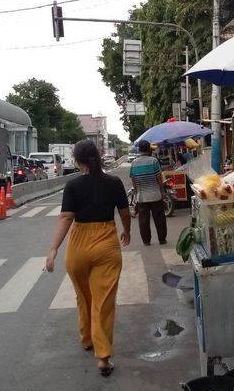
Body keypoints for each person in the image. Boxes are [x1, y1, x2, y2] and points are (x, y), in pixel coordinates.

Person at [44, 139, 130, 377]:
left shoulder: (72, 185)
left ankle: (86, 339)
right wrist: (127, 231)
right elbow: (124, 212)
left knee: (83, 296)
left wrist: (53, 250)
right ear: (99, 157)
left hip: (78, 247)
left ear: (77, 160)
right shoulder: (114, 183)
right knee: (103, 302)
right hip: (106, 245)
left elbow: (65, 218)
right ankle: (103, 357)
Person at [130, 140, 167, 246]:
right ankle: (162, 239)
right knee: (159, 218)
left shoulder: (134, 163)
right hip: (155, 195)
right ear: (149, 149)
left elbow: (133, 180)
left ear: (139, 150)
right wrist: (162, 191)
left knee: (143, 221)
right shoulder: (153, 161)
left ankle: (146, 241)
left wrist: (137, 192)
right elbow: (159, 178)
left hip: (141, 197)